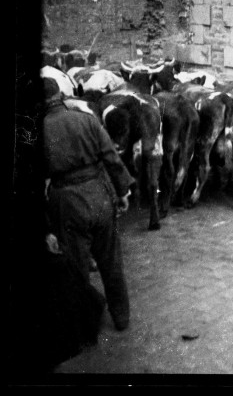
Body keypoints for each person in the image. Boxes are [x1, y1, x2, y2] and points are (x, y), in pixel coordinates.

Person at [42, 77, 134, 332]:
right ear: (61, 96)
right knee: (111, 261)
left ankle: (86, 325)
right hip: (100, 194)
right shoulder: (87, 120)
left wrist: (45, 225)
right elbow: (111, 157)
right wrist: (123, 191)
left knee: (77, 267)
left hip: (66, 201)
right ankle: (121, 316)